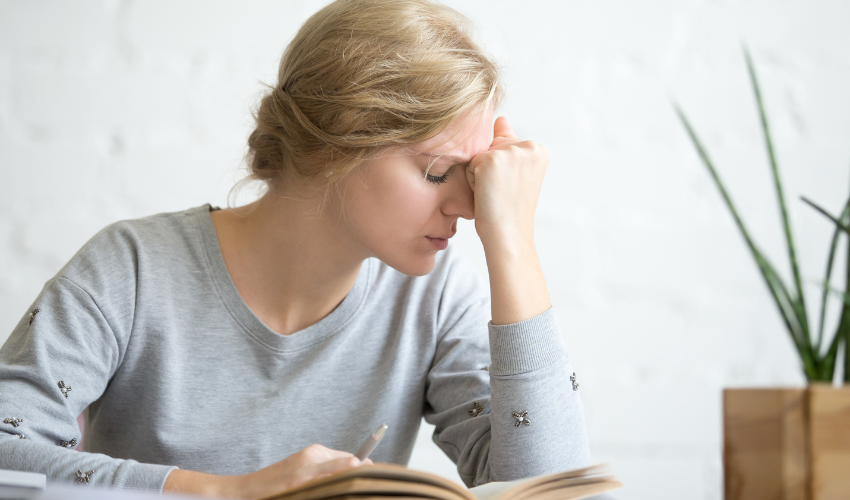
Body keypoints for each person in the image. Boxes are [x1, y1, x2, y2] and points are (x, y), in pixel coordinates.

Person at [0, 0, 590, 498]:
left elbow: (548, 486)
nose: (465, 206)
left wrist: (512, 241)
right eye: (439, 173)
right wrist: (232, 491)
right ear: (336, 146)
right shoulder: (131, 268)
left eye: (475, 179)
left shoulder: (434, 294)